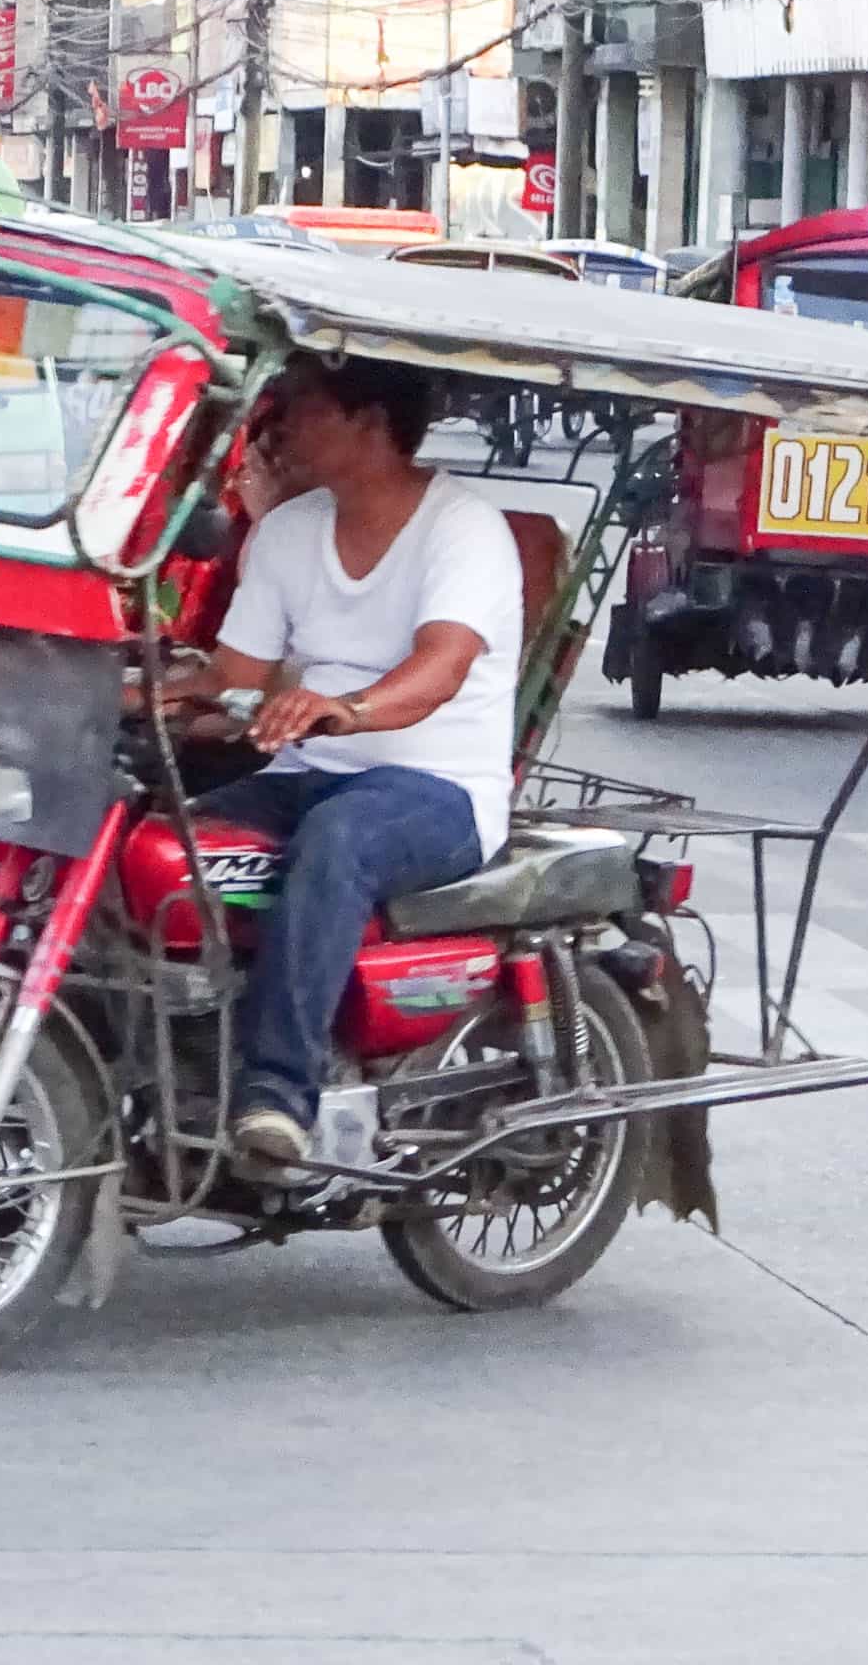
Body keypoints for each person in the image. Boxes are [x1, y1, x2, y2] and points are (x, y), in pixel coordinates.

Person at [158, 356, 522, 1172]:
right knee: (162, 836)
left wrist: (346, 710)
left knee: (338, 837)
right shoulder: (288, 531)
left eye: (302, 409)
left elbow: (443, 666)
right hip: (304, 774)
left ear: (370, 422)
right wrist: (128, 691)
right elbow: (232, 678)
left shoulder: (464, 529)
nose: (279, 429)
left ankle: (277, 1097)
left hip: (439, 789)